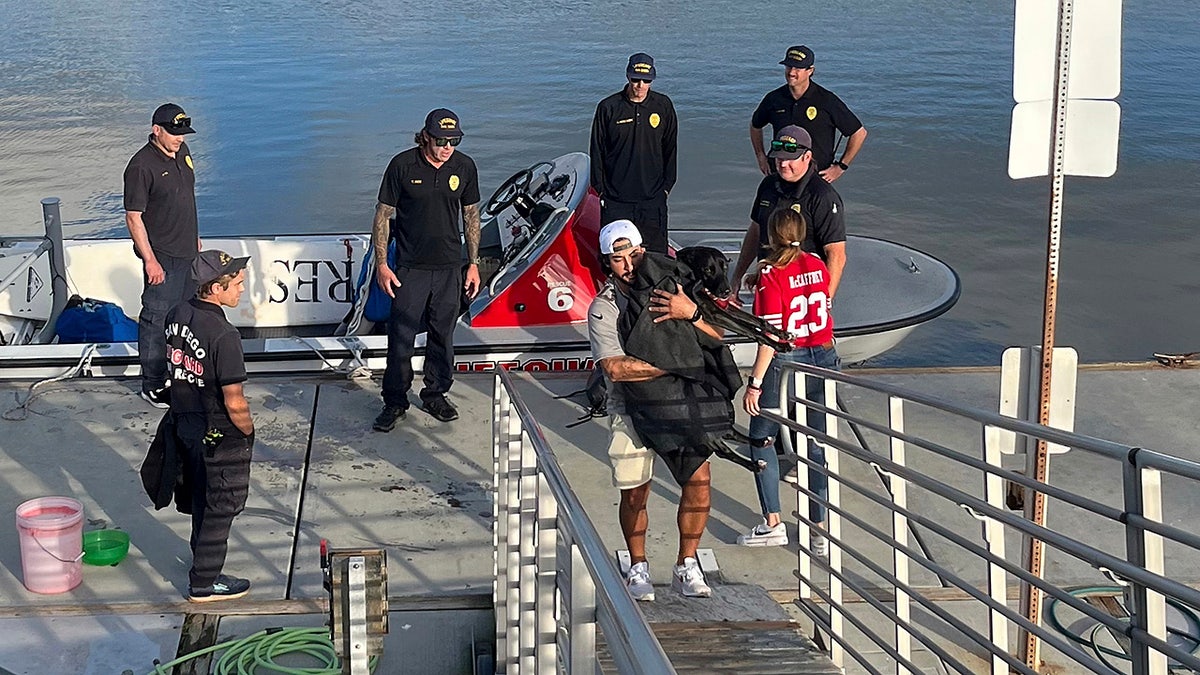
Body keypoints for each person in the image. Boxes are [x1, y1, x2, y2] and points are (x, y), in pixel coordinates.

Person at [587, 220, 721, 601]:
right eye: (618, 258)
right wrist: (680, 361)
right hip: (630, 408)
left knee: (699, 484)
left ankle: (687, 564)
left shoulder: (676, 291)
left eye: (634, 254)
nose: (629, 264)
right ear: (606, 263)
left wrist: (690, 313)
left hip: (682, 402)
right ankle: (638, 564)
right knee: (635, 494)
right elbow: (615, 368)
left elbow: (717, 338)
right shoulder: (603, 307)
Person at [371, 108, 481, 430]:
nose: (448, 147)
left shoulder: (464, 166)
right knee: (401, 338)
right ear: (426, 137)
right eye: (442, 141)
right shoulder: (402, 165)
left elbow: (471, 216)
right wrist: (381, 264)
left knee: (442, 337)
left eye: (454, 141)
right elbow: (382, 216)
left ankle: (435, 394)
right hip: (410, 268)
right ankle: (394, 401)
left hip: (449, 268)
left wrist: (472, 265)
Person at [738, 209, 839, 557]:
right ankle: (819, 530)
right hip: (823, 355)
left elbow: (770, 337)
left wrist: (755, 382)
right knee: (815, 445)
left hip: (787, 358)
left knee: (761, 436)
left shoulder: (771, 274)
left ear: (770, 237)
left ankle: (772, 522)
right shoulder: (815, 263)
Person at [165, 249, 255, 602]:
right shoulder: (223, 335)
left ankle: (199, 556)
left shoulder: (177, 314)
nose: (241, 290)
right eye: (237, 284)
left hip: (184, 423)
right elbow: (235, 400)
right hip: (217, 431)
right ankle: (204, 582)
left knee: (200, 495)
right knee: (221, 504)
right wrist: (247, 433)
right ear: (216, 289)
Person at [124, 102, 202, 408]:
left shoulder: (182, 152)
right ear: (156, 130)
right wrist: (150, 260)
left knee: (184, 317)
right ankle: (153, 384)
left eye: (183, 133)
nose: (179, 138)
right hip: (163, 257)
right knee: (156, 320)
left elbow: (185, 197)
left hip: (188, 251)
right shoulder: (141, 166)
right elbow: (134, 217)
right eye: (173, 133)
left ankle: (181, 373)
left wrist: (195, 235)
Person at [732, 125, 846, 300]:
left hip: (803, 291)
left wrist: (825, 302)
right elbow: (756, 230)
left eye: (790, 159)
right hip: (768, 284)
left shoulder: (823, 196)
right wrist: (737, 277)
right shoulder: (767, 185)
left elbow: (836, 255)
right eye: (779, 158)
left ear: (807, 157)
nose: (783, 164)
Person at [589, 53, 678, 254]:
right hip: (616, 199)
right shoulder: (608, 107)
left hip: (652, 198)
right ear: (628, 77)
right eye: (635, 79)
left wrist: (666, 187)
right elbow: (597, 150)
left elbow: (670, 148)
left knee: (655, 256)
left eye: (646, 80)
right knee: (615, 257)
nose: (640, 85)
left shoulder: (663, 106)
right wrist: (600, 190)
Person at [750, 46, 867, 182]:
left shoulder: (826, 100)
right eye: (789, 67)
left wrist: (840, 167)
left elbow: (859, 133)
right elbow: (755, 126)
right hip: (780, 173)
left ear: (810, 71)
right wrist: (761, 156)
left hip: (815, 177)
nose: (792, 72)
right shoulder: (773, 99)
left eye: (798, 68)